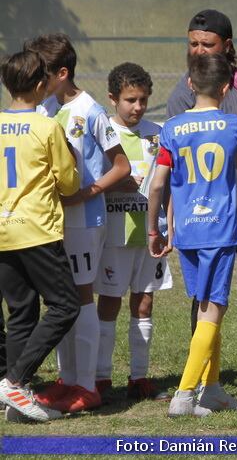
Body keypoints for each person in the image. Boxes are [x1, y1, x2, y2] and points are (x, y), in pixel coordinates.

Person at [167, 9, 237, 396]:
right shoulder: (183, 94)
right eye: (192, 44)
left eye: (207, 44)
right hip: (204, 219)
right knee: (204, 298)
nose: (198, 51)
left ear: (227, 46)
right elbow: (173, 168)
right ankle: (198, 377)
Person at [25, 33, 131, 413]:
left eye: (43, 72)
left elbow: (122, 166)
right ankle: (67, 379)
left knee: (81, 297)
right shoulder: (45, 108)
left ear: (63, 72)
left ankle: (87, 386)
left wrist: (87, 192)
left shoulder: (91, 110)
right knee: (62, 301)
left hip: (84, 220)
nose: (37, 79)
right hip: (50, 221)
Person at [148, 53, 237, 417]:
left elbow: (158, 185)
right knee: (213, 311)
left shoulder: (170, 129)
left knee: (208, 309)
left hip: (187, 231)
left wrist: (155, 229)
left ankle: (213, 389)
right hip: (220, 230)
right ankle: (185, 394)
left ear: (190, 85)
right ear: (226, 88)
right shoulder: (234, 125)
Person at [0, 49, 81, 422]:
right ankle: (14, 380)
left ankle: (16, 406)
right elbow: (68, 183)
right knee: (65, 305)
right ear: (39, 85)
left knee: (21, 314)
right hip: (36, 231)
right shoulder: (48, 127)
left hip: (3, 231)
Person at [93, 62, 173, 402]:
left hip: (150, 234)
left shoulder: (158, 132)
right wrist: (118, 186)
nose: (137, 107)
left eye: (142, 100)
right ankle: (100, 377)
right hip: (115, 235)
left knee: (144, 302)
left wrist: (169, 226)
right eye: (130, 100)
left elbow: (170, 185)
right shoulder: (104, 133)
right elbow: (92, 183)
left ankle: (139, 377)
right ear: (113, 99)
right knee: (109, 302)